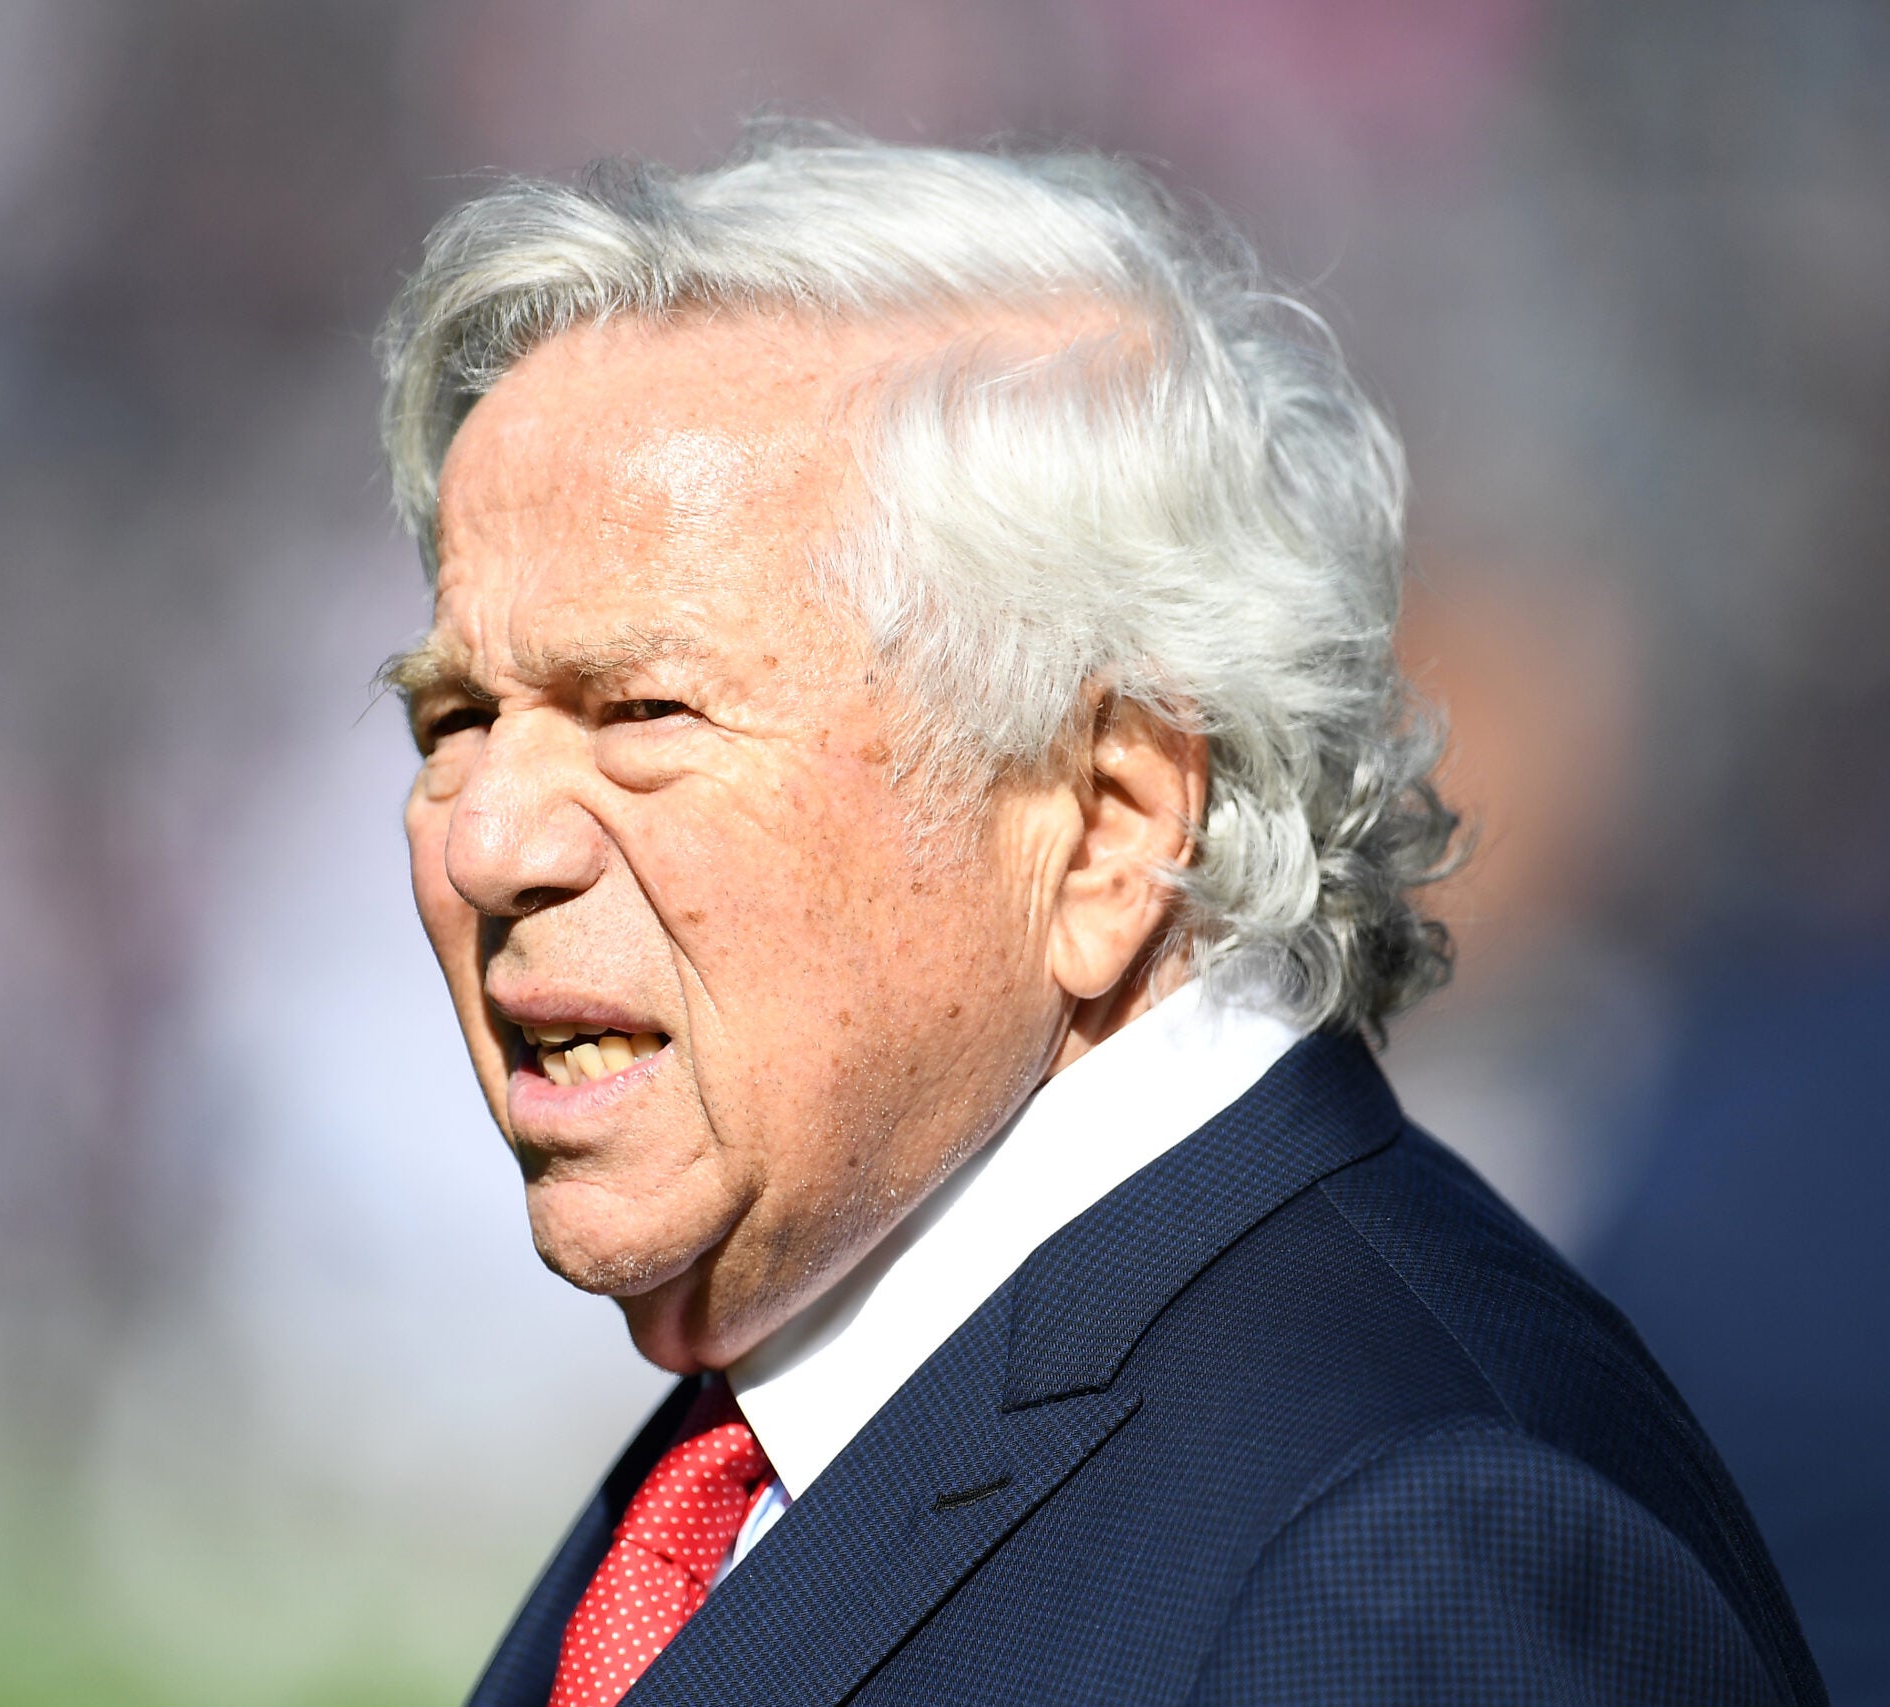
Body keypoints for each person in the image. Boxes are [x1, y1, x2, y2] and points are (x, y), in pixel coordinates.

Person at [375, 132, 1824, 1707]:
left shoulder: (1407, 1552)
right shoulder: (779, 1430)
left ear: (1107, 826)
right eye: (452, 720)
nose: (491, 838)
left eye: (641, 710)